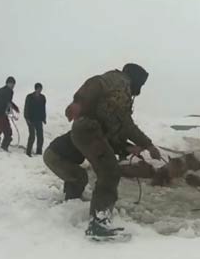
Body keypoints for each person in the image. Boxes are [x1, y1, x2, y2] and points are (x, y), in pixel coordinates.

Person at [65, 63, 161, 239]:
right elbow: (96, 82)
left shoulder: (121, 93)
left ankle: (99, 219)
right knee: (110, 173)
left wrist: (133, 146)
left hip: (90, 131)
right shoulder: (119, 81)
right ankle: (98, 224)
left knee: (108, 171)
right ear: (136, 80)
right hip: (88, 129)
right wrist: (78, 101)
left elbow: (121, 125)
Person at [43, 131, 87, 200]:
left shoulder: (82, 131)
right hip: (54, 156)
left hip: (54, 153)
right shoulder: (85, 135)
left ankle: (70, 196)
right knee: (79, 175)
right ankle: (72, 201)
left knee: (73, 174)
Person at [0, 76, 20, 151]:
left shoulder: (9, 91)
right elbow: (0, 101)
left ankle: (3, 147)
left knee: (8, 131)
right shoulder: (3, 91)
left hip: (2, 114)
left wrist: (14, 107)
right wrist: (10, 110)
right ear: (7, 83)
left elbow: (8, 102)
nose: (13, 86)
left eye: (14, 84)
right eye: (11, 84)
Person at [24, 83, 47, 156]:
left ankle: (39, 152)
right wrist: (27, 118)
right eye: (39, 89)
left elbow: (43, 108)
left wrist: (44, 118)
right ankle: (28, 151)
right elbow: (26, 108)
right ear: (36, 89)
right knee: (32, 136)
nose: (40, 90)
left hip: (39, 119)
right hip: (31, 120)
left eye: (41, 89)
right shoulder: (29, 97)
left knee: (40, 136)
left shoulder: (42, 97)